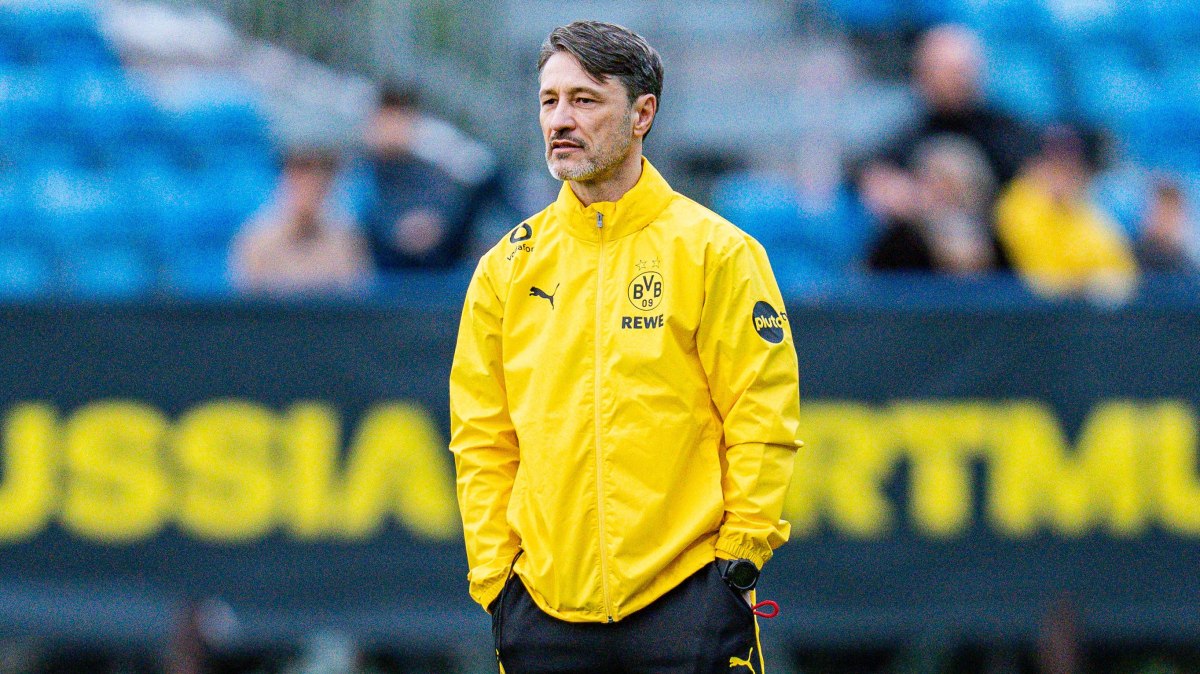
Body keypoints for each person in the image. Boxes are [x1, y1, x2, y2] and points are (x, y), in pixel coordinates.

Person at [448, 20, 802, 674]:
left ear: (642, 114)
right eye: (549, 100)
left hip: (687, 599)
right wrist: (496, 579)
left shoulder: (717, 253)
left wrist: (738, 562)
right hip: (541, 611)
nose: (560, 119)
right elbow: (481, 439)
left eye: (585, 100)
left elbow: (762, 417)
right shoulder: (506, 268)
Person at [858, 24, 1036, 236]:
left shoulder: (1008, 133)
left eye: (961, 71)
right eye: (943, 70)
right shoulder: (909, 131)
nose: (955, 80)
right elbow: (872, 172)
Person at [994, 126, 1138, 298]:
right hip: (1028, 308)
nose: (1064, 175)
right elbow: (1045, 281)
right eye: (1055, 166)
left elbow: (1123, 271)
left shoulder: (1080, 207)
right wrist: (1090, 281)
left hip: (1080, 306)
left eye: (1071, 167)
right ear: (1034, 165)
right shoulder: (1016, 207)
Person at [229, 149, 371, 293]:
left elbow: (355, 299)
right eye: (300, 175)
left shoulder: (346, 242)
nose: (309, 185)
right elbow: (246, 301)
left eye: (317, 176)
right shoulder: (256, 241)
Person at [867, 134, 1001, 274]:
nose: (940, 194)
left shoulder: (1001, 236)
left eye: (950, 186)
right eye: (931, 182)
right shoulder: (894, 245)